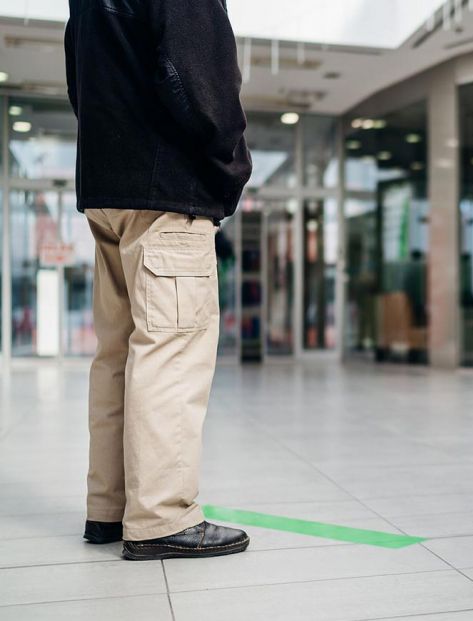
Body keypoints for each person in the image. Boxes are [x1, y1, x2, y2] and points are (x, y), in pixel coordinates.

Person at [65, 0, 253, 559]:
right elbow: (200, 80)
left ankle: (111, 507)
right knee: (171, 352)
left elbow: (80, 80)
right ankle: (161, 516)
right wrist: (233, 168)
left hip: (107, 190)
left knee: (118, 355)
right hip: (167, 191)